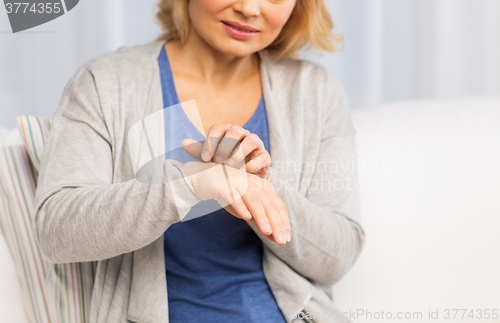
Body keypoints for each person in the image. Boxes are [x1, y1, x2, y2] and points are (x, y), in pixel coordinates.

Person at [34, 0, 365, 322]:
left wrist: (259, 185)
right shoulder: (106, 82)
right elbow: (55, 232)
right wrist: (189, 185)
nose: (250, 9)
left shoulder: (315, 90)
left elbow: (336, 258)